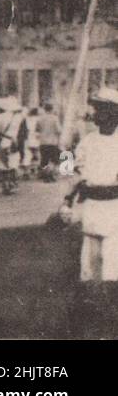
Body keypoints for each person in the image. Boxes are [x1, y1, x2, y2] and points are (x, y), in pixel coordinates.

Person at [72, 88, 118, 284]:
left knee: (112, 268)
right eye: (95, 108)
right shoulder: (87, 141)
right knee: (89, 270)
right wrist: (64, 154)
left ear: (113, 112)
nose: (95, 113)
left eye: (100, 109)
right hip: (91, 207)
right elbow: (71, 172)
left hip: (114, 208)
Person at [37, 107, 63, 181]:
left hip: (42, 142)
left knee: (44, 159)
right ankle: (50, 175)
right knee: (53, 160)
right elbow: (59, 130)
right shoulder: (55, 118)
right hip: (52, 142)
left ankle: (45, 175)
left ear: (45, 109)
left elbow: (37, 129)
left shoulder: (40, 118)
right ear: (51, 109)